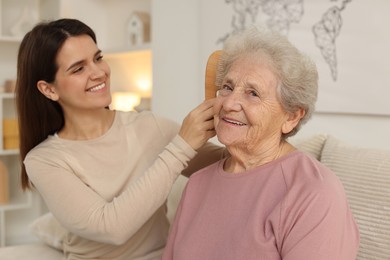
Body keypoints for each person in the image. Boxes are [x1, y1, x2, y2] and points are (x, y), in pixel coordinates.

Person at [15, 18, 226, 259]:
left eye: (97, 58)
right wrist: (182, 146)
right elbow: (111, 228)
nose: (98, 73)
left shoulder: (150, 126)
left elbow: (229, 165)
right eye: (78, 68)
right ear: (49, 89)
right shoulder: (44, 160)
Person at [162, 26, 360, 260]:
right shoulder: (197, 184)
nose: (229, 103)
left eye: (252, 93)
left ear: (291, 116)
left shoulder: (313, 192)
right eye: (227, 87)